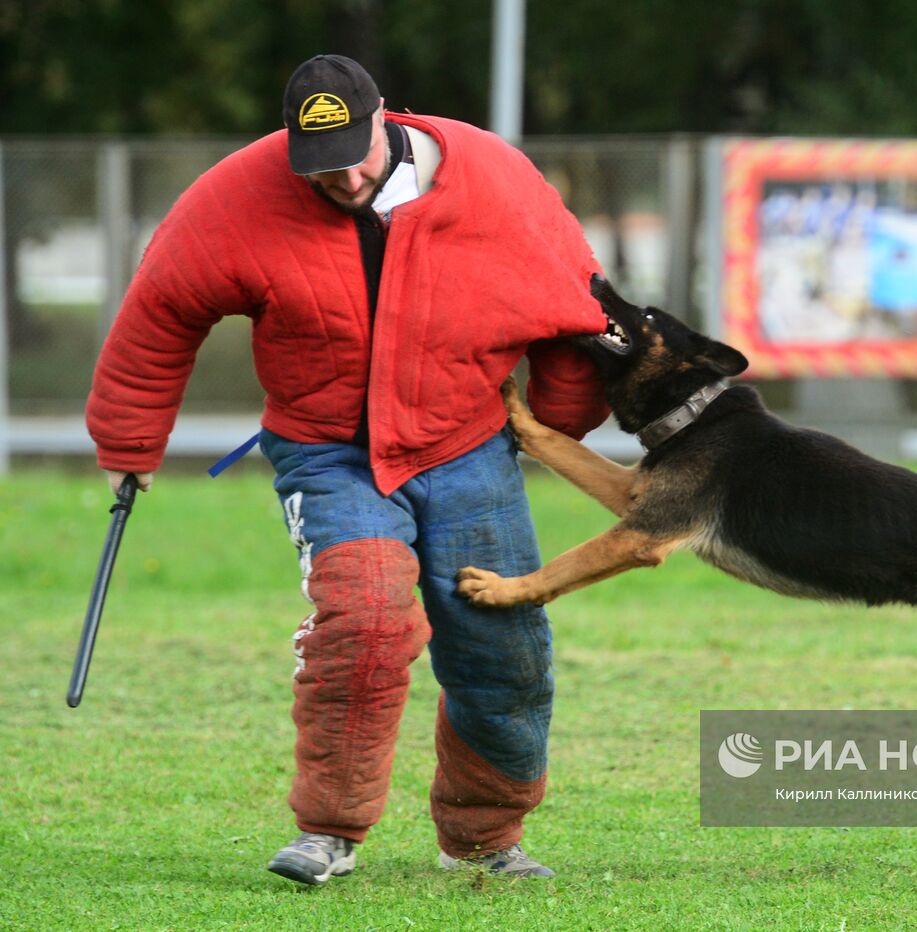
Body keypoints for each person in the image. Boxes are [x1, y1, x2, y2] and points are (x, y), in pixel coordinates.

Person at [85, 54, 610, 884]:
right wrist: (129, 443)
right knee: (366, 619)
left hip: (466, 443)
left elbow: (574, 301)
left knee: (502, 648)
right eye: (316, 164)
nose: (339, 177)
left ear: (384, 124)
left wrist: (561, 421)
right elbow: (161, 309)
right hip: (328, 451)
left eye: (353, 156)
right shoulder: (238, 195)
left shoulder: (491, 177)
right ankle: (328, 830)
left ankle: (484, 837)